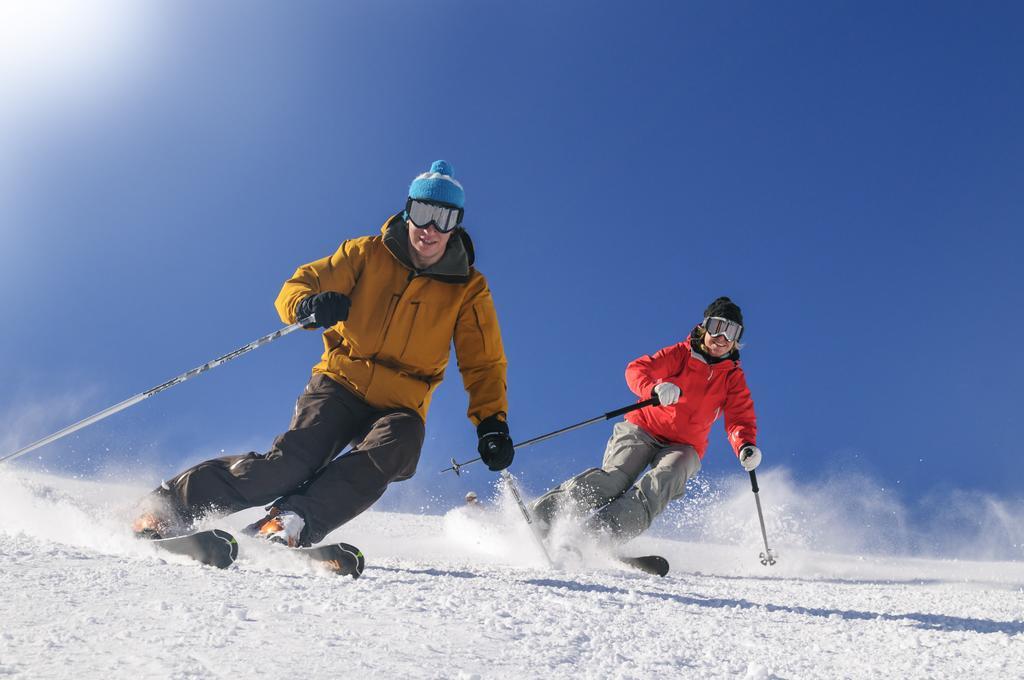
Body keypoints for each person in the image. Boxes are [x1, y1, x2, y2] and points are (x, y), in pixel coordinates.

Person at [133, 160, 514, 547]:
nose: (430, 229)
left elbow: (482, 361)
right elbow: (301, 282)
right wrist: (307, 305)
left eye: (443, 219)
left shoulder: (469, 289)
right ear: (408, 211)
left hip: (401, 403)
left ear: (457, 225)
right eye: (423, 213)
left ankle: (291, 520)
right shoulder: (366, 253)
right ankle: (168, 508)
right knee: (290, 466)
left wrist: (491, 423)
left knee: (401, 443)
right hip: (340, 383)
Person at [531, 296, 761, 542]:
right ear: (704, 327)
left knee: (661, 483)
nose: (722, 338)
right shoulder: (681, 354)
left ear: (737, 340)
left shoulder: (733, 378)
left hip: (684, 446)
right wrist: (654, 388)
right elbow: (637, 369)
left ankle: (600, 534)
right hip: (642, 428)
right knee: (616, 478)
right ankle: (544, 516)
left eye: (731, 332)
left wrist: (745, 445)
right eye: (717, 327)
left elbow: (740, 417)